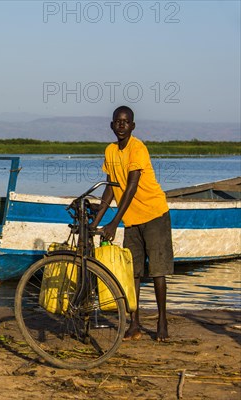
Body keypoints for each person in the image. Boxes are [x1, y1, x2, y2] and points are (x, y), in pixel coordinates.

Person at [90, 106, 173, 342]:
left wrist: (114, 222)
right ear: (112, 125)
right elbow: (111, 188)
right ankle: (134, 323)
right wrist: (96, 221)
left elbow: (131, 186)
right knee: (133, 273)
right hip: (131, 219)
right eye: (118, 122)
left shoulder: (138, 148)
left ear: (133, 126)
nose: (122, 126)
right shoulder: (110, 151)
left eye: (126, 122)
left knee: (157, 271)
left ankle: (162, 321)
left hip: (153, 214)